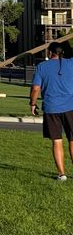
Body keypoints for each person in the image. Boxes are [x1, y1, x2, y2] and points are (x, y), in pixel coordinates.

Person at [29, 42, 73, 181]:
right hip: (70, 107)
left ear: (49, 53)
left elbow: (36, 88)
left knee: (57, 141)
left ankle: (62, 174)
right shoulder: (71, 63)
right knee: (72, 140)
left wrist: (33, 103)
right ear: (63, 53)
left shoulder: (42, 66)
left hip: (51, 108)